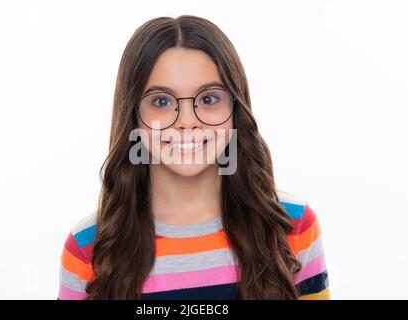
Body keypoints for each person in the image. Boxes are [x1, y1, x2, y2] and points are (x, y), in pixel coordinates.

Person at [58, 15, 330, 300]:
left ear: (236, 110)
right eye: (161, 101)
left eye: (209, 99)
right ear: (133, 117)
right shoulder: (88, 246)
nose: (187, 122)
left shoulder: (292, 225)